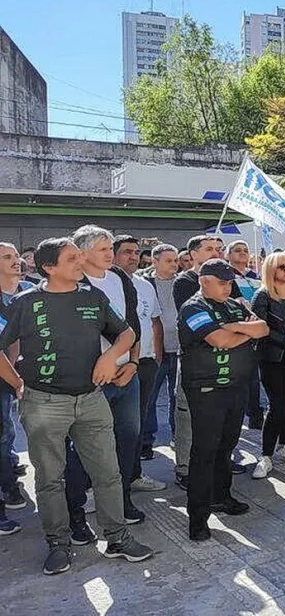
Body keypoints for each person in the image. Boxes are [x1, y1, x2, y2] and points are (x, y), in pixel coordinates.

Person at [0, 237, 152, 574]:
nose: (79, 262)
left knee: (108, 473)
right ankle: (59, 543)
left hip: (91, 400)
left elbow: (126, 334)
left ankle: (117, 537)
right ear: (49, 267)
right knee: (50, 478)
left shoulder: (92, 297)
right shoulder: (24, 303)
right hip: (43, 404)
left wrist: (111, 356)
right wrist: (18, 383)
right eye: (72, 258)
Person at [178, 259, 267, 540]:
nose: (228, 287)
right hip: (206, 389)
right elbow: (220, 341)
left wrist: (234, 328)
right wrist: (241, 331)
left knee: (226, 446)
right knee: (204, 451)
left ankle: (222, 496)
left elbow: (263, 328)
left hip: (236, 387)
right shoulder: (193, 307)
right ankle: (198, 517)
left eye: (230, 282)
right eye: (223, 282)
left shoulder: (235, 305)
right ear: (205, 282)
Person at [72, 225, 146, 524]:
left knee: (128, 438)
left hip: (127, 376)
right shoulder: (74, 284)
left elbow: (133, 327)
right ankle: (78, 504)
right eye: (103, 249)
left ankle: (122, 498)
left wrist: (133, 364)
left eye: (109, 248)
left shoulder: (119, 278)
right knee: (85, 445)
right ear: (83, 252)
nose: (109, 254)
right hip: (92, 379)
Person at [111, 235, 167, 494]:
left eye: (136, 252)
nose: (133, 256)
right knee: (105, 429)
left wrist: (155, 356)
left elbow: (155, 321)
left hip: (143, 364)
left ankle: (133, 475)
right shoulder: (102, 285)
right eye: (126, 252)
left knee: (136, 424)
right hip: (111, 367)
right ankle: (100, 485)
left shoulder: (145, 285)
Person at [171, 235, 224, 489]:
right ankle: (184, 468)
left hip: (222, 359)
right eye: (210, 248)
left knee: (216, 416)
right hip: (194, 360)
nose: (216, 252)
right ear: (192, 254)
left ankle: (213, 462)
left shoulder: (226, 280)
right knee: (187, 416)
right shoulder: (184, 282)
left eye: (218, 249)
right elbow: (206, 321)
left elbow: (236, 314)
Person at [251, 252, 285, 479]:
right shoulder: (262, 295)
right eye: (281, 266)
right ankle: (266, 455)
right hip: (272, 356)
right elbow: (260, 328)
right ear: (271, 269)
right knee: (278, 404)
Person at [0, 243, 31, 512]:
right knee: (3, 431)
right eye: (7, 257)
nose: (16, 261)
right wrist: (13, 379)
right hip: (4, 374)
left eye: (17, 256)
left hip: (25, 373)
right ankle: (7, 486)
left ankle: (8, 464)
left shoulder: (29, 293)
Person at [141, 244, 180, 457]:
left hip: (180, 349)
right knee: (149, 397)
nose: (174, 264)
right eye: (168, 261)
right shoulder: (145, 284)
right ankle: (146, 443)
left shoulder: (183, 283)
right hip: (155, 350)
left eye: (175, 260)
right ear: (154, 262)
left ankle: (178, 437)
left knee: (178, 397)